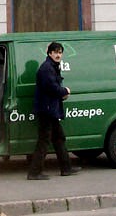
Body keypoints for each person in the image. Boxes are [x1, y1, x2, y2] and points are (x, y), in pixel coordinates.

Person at [27, 41, 82, 180]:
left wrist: (61, 94)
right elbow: (51, 87)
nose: (58, 55)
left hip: (50, 109)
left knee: (58, 138)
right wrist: (65, 91)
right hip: (47, 110)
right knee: (44, 141)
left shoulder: (52, 66)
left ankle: (66, 168)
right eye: (55, 52)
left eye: (60, 52)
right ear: (50, 53)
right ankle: (34, 172)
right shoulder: (47, 68)